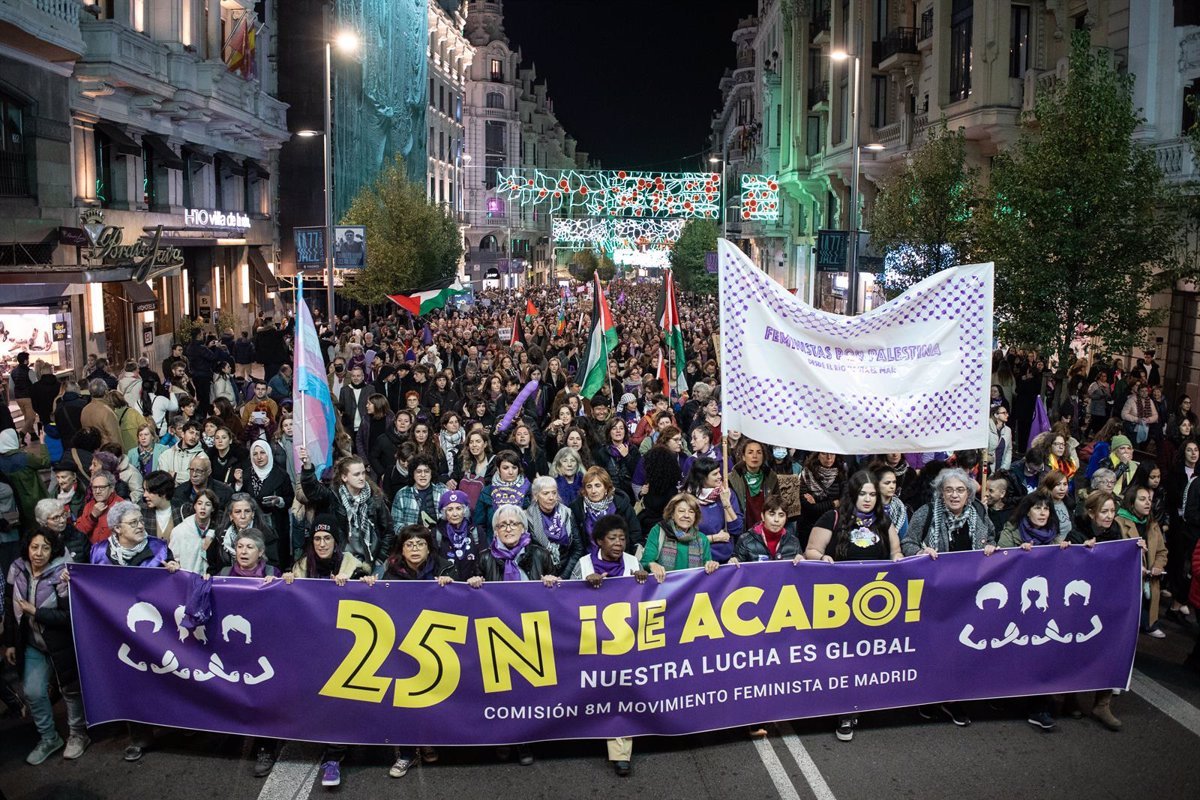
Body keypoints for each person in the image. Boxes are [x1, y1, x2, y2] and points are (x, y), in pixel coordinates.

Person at [569, 513, 651, 776]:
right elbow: (562, 600)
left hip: (624, 647)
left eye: (622, 538)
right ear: (599, 541)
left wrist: (644, 581)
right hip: (589, 645)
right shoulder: (583, 565)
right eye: (612, 538)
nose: (619, 543)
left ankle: (620, 752)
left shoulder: (631, 563)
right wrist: (584, 586)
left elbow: (646, 600)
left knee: (620, 695)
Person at [3, 528, 88, 764]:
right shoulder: (17, 568)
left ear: (54, 550)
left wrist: (36, 612)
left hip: (62, 644)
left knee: (70, 691)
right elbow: (10, 608)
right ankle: (49, 738)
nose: (39, 553)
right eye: (34, 547)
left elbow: (68, 616)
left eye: (45, 548)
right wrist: (9, 642)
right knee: (32, 691)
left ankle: (78, 735)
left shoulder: (63, 574)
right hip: (32, 644)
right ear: (27, 548)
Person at [299, 448, 393, 575]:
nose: (361, 478)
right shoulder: (333, 497)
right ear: (344, 477)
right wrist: (307, 466)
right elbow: (313, 491)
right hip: (342, 562)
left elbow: (388, 532)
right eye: (356, 474)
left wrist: (380, 559)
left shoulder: (375, 499)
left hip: (371, 561)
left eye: (363, 473)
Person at [902, 468, 997, 560]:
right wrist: (920, 552)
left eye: (960, 490)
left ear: (968, 493)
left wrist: (990, 546)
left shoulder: (979, 511)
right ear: (942, 493)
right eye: (949, 490)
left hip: (973, 573)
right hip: (936, 573)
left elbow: (990, 538)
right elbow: (908, 543)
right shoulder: (926, 512)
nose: (954, 495)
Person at [1115, 483, 1168, 638]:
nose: (1147, 503)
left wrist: (1158, 565)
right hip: (1127, 581)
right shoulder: (1119, 522)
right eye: (1142, 499)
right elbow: (1117, 554)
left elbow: (1162, 551)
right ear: (1132, 502)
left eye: (1149, 500)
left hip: (1149, 580)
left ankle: (1150, 624)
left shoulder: (1152, 524)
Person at [640, 493, 722, 580]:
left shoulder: (702, 539)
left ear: (695, 516)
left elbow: (707, 569)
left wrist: (711, 565)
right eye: (681, 511)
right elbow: (645, 562)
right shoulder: (658, 531)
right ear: (672, 514)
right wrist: (652, 565)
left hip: (692, 590)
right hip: (662, 589)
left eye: (691, 512)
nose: (686, 515)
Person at [685, 457, 742, 563]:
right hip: (699, 560)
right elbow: (685, 539)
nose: (720, 476)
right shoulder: (688, 500)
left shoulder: (726, 493)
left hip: (727, 559)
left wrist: (726, 504)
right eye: (715, 474)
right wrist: (715, 538)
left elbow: (737, 529)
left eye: (719, 472)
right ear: (702, 478)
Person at [525, 476, 583, 578]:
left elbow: (577, 549)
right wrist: (544, 577)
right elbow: (527, 553)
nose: (551, 497)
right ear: (536, 496)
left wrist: (563, 577)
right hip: (539, 576)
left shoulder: (567, 513)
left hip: (565, 575)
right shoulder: (527, 517)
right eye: (546, 493)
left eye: (554, 492)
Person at [475, 450, 531, 541]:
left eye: (514, 467)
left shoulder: (528, 489)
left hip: (523, 545)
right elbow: (479, 525)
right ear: (498, 469)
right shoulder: (487, 492)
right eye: (505, 468)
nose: (511, 472)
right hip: (493, 545)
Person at [168, 489, 218, 574]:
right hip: (186, 580)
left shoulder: (217, 531)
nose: (203, 507)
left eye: (208, 504)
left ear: (213, 508)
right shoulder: (179, 531)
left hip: (208, 580)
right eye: (199, 503)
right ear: (194, 506)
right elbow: (173, 559)